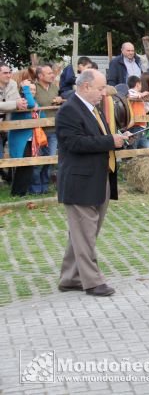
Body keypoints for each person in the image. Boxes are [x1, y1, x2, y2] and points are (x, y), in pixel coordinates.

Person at [56, 69, 130, 297]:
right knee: (85, 234)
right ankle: (92, 281)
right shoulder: (68, 111)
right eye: (100, 88)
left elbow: (98, 140)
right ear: (85, 86)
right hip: (80, 182)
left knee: (83, 233)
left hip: (99, 179)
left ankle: (70, 278)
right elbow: (75, 143)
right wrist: (110, 140)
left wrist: (119, 140)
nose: (103, 93)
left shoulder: (93, 109)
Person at [30, 64, 62, 194]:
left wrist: (60, 99)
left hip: (53, 131)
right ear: (40, 76)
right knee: (37, 162)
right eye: (49, 73)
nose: (52, 75)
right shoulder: (34, 88)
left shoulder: (55, 87)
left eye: (52, 73)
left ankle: (45, 187)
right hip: (38, 131)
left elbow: (60, 100)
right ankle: (35, 188)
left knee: (50, 159)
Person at [8, 80, 43, 196]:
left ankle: (22, 191)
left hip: (32, 140)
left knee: (29, 165)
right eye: (30, 89)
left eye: (34, 89)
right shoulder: (21, 101)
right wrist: (26, 89)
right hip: (20, 139)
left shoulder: (36, 102)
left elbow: (42, 117)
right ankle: (17, 192)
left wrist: (38, 110)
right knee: (23, 165)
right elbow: (31, 105)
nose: (32, 91)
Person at [0, 63, 29, 164]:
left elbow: (16, 99)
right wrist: (15, 104)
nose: (8, 75)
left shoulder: (12, 83)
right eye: (5, 73)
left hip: (8, 124)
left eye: (9, 72)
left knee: (12, 155)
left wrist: (21, 102)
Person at [126, 75, 149, 149]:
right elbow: (130, 96)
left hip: (142, 126)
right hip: (134, 125)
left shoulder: (139, 95)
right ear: (138, 84)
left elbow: (146, 109)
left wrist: (148, 98)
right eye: (141, 84)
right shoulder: (130, 92)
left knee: (144, 149)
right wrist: (141, 95)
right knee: (133, 148)